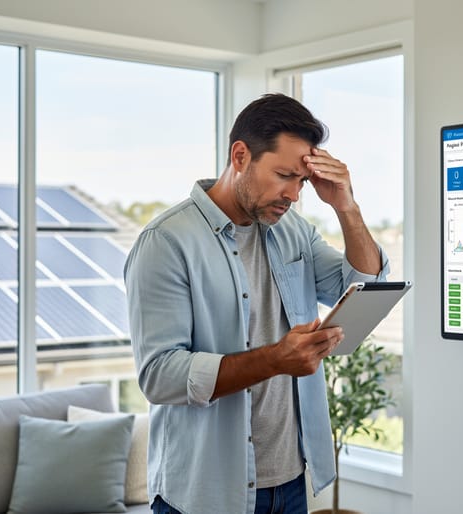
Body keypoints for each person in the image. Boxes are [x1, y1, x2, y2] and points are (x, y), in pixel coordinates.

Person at [124, 93, 390, 514]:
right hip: (205, 494)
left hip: (290, 483)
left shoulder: (293, 230)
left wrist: (347, 206)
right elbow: (160, 376)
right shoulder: (166, 242)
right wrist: (274, 360)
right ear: (240, 156)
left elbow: (361, 287)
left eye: (301, 181)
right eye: (284, 175)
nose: (294, 194)